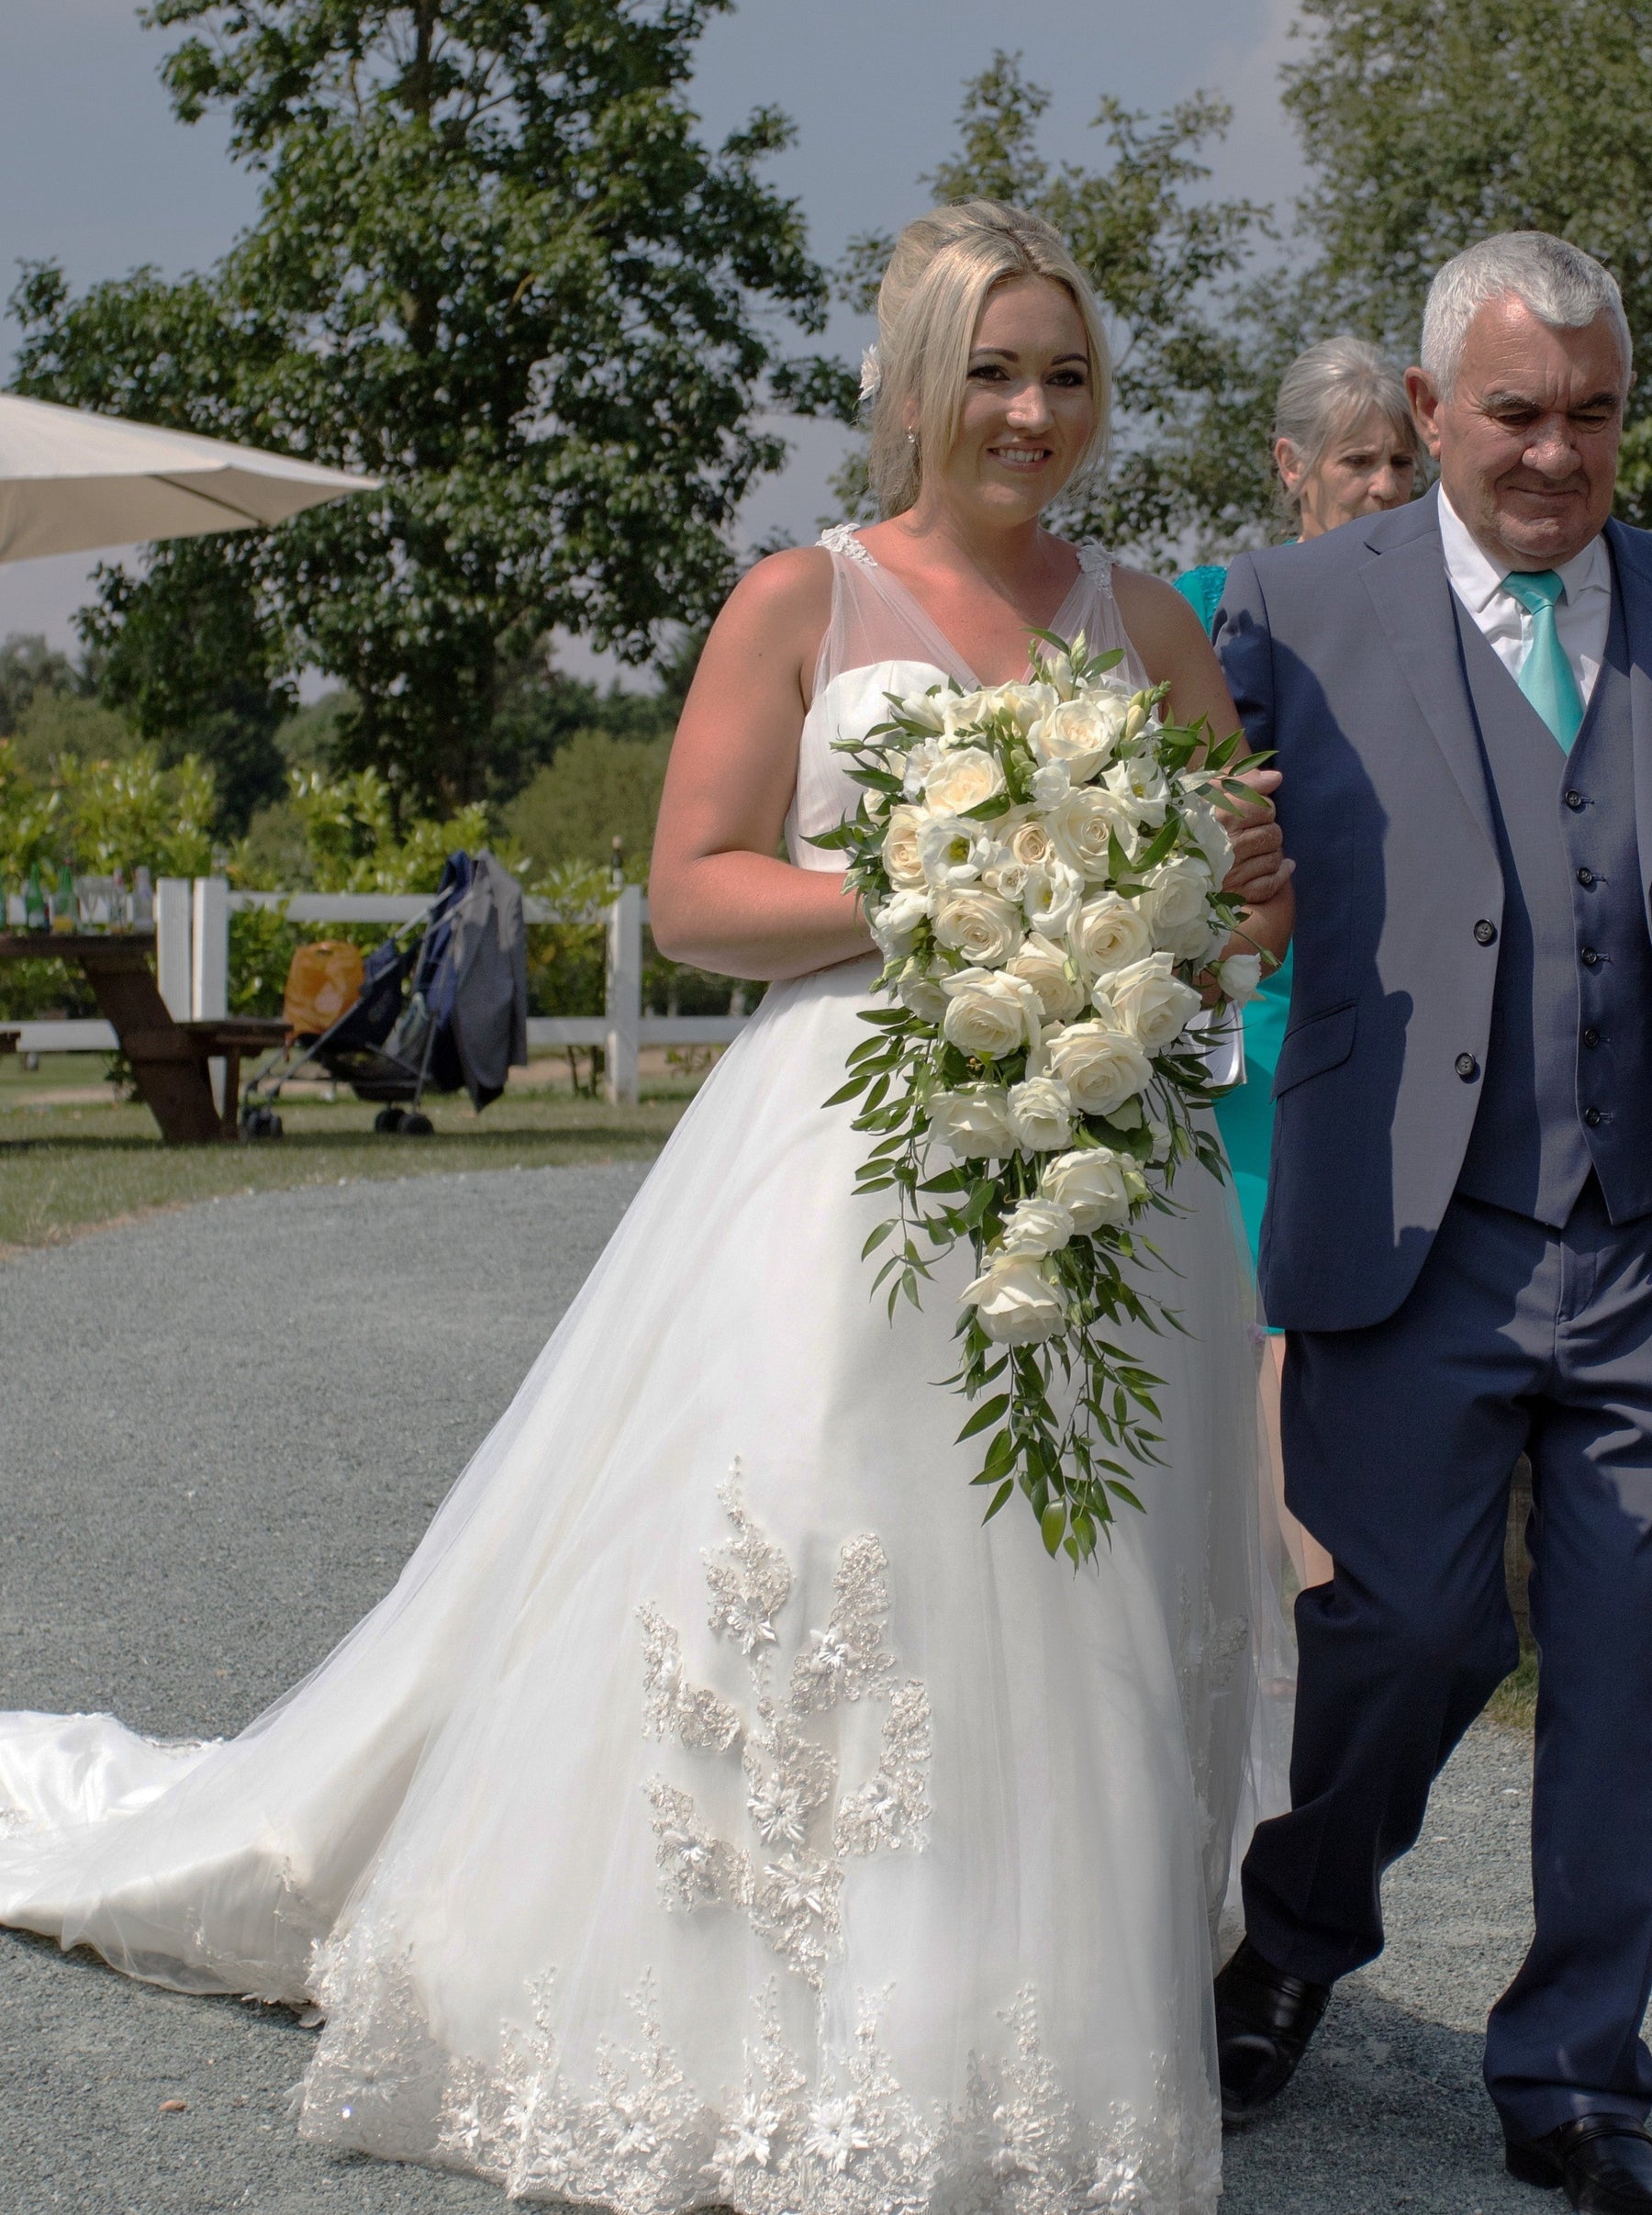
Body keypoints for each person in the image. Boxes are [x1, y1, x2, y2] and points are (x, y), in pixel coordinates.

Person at [0, 201, 1292, 2214]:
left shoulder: (1146, 619)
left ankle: (1017, 2042)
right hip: (842, 1170)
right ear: (913, 384)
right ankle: (756, 2017)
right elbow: (698, 898)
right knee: (830, 1565)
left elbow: (1229, 901)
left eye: (1066, 373)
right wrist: (941, 896)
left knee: (1071, 1603)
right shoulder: (808, 599)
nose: (1034, 412)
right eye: (997, 370)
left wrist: (1218, 907)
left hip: (1093, 1170)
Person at [1211, 230, 1652, 2215]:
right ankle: (1298, 1930)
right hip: (1411, 1224)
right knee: (1405, 1622)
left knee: (1637, 1653)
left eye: (1594, 414)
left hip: (1638, 1235)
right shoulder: (1293, 606)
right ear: (1422, 416)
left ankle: (1577, 2060)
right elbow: (1190, 859)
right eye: (1515, 413)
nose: (1556, 453)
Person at [1177, 337, 1423, 1594]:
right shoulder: (1207, 600)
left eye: (1402, 459)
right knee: (1272, 1318)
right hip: (1258, 1016)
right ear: (1291, 468)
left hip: (1414, 1012)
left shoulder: (1453, 617)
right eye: (1356, 460)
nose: (1384, 485)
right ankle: (1311, 1606)